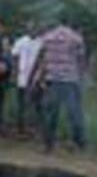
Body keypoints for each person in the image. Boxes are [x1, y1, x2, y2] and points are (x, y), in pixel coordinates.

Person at [32, 16, 87, 152]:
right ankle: (79, 143)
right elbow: (81, 61)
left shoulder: (47, 37)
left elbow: (41, 60)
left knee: (50, 113)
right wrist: (82, 79)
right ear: (70, 23)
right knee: (74, 113)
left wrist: (36, 79)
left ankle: (48, 145)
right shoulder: (76, 38)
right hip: (70, 81)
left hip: (52, 81)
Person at [10, 23, 42, 136]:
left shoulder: (41, 42)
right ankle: (21, 128)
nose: (33, 30)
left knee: (36, 104)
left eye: (36, 28)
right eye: (31, 28)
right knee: (22, 103)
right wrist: (14, 74)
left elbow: (42, 60)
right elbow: (15, 57)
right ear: (27, 29)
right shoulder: (21, 41)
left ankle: (35, 128)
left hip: (36, 78)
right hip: (22, 76)